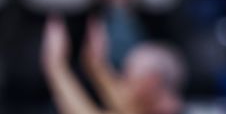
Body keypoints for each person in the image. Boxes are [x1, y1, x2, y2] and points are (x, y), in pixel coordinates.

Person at [41, 16, 186, 114]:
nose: (122, 81)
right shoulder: (157, 104)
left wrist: (56, 66)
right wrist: (97, 67)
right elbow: (124, 104)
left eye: (128, 76)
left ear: (151, 81)